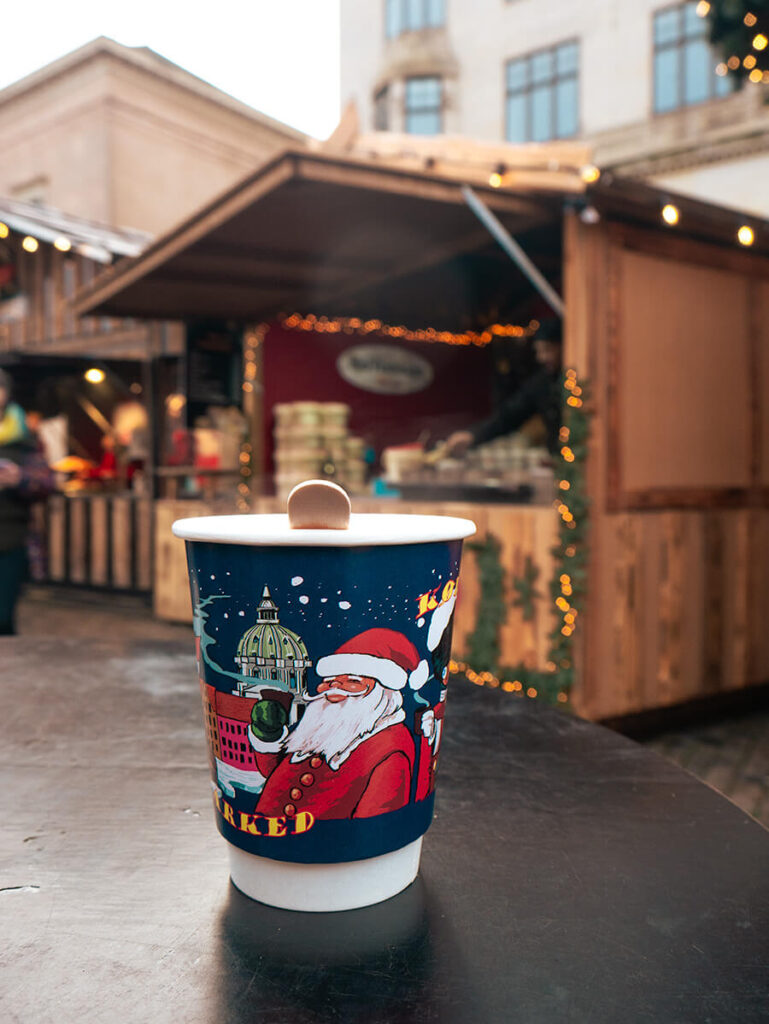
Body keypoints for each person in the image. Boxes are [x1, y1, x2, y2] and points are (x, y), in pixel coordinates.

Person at [248, 628, 429, 820]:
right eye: (330, 681)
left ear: (382, 692)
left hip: (327, 845)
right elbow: (281, 775)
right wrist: (268, 735)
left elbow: (376, 824)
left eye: (352, 681)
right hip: (265, 835)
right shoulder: (324, 728)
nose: (335, 688)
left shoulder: (389, 747)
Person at [444, 321, 563, 458]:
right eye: (539, 351)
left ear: (562, 346)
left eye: (547, 350)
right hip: (559, 460)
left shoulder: (575, 380)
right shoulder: (542, 382)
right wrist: (473, 435)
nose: (541, 358)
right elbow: (509, 415)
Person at [0, 369, 55, 635]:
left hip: (12, 538)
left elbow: (47, 482)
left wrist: (19, 478)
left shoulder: (25, 439)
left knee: (3, 616)